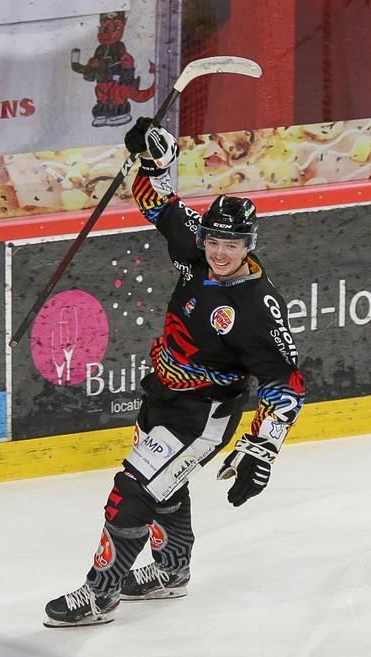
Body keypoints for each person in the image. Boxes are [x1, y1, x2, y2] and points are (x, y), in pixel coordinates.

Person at [43, 117, 306, 627]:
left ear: (250, 244)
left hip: (202, 417)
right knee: (164, 489)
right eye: (214, 241)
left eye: (233, 244)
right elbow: (158, 203)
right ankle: (171, 570)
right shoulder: (196, 250)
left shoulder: (257, 308)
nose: (220, 253)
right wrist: (156, 158)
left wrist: (262, 449)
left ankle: (101, 594)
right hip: (162, 396)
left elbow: (287, 385)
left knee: (132, 492)